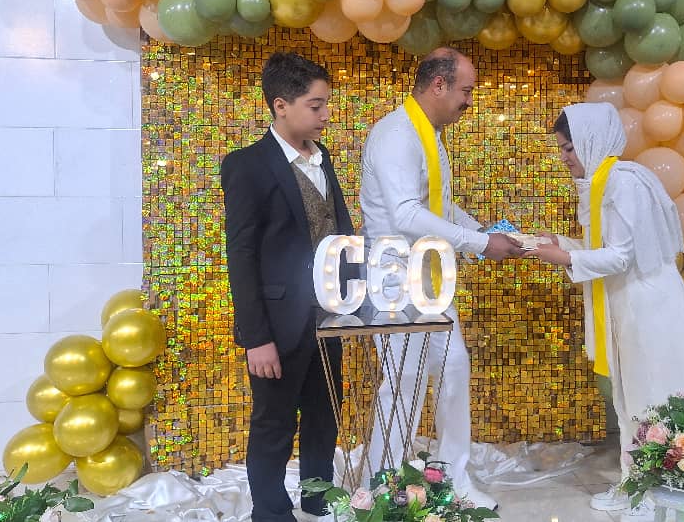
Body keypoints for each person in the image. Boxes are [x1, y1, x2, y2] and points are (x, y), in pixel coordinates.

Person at [525, 102, 684, 521]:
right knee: (630, 398)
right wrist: (558, 244)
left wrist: (563, 257)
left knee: (653, 396)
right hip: (628, 305)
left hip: (649, 307)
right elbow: (605, 250)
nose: (564, 158)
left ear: (591, 141)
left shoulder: (623, 182)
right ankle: (635, 484)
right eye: (562, 149)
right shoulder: (600, 184)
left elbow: (622, 256)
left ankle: (654, 492)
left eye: (569, 148)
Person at [359, 46, 523, 510]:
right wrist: (479, 244)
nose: (469, 101)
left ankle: (454, 478)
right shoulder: (395, 134)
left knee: (453, 369)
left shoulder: (428, 134)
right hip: (396, 283)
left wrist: (484, 233)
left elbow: (438, 207)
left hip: (432, 281)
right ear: (438, 85)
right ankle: (385, 488)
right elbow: (406, 214)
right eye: (466, 90)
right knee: (403, 383)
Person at [222, 52, 355, 522]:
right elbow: (241, 257)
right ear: (281, 105)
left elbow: (337, 231)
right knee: (274, 423)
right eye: (316, 106)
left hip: (328, 315)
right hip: (277, 325)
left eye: (326, 105)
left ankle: (318, 498)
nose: (326, 115)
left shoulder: (323, 158)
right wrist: (256, 337)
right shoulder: (247, 165)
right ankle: (271, 512)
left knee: (324, 414)